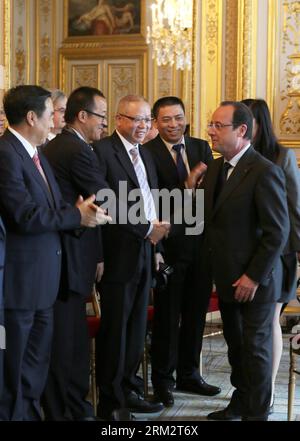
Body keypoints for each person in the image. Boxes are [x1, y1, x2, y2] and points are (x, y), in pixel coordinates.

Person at [0, 85, 108, 421]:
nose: (58, 122)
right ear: (32, 117)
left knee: (34, 372)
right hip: (20, 285)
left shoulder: (36, 153)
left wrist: (75, 212)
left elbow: (50, 207)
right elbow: (24, 215)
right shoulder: (5, 154)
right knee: (13, 374)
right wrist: (76, 216)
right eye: (53, 113)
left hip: (45, 284)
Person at [197, 101, 289, 420]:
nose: (210, 131)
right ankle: (241, 402)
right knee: (236, 349)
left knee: (256, 352)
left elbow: (277, 232)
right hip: (225, 278)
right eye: (210, 124)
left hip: (256, 284)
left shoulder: (264, 170)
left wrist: (252, 276)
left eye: (217, 126)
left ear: (241, 130)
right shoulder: (215, 169)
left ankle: (256, 414)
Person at [93, 95, 170, 420]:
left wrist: (156, 249)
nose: (142, 126)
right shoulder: (102, 152)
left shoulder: (146, 156)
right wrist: (144, 233)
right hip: (116, 254)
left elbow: (151, 202)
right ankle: (110, 401)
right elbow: (105, 203)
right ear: (119, 119)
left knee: (137, 328)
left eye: (146, 120)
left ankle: (130, 388)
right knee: (115, 330)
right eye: (136, 120)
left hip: (145, 251)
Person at [143, 96, 220, 407]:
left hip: (201, 246)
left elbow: (211, 194)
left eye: (178, 118)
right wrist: (186, 187)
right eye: (166, 120)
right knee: (167, 317)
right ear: (155, 123)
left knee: (194, 315)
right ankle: (163, 380)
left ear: (186, 118)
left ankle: (190, 374)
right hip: (170, 247)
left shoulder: (202, 147)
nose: (173, 124)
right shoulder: (147, 153)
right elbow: (150, 201)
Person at [41, 86, 111, 421]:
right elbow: (105, 198)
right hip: (67, 260)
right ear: (82, 116)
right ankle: (69, 410)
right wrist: (147, 226)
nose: (104, 124)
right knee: (67, 346)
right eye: (101, 116)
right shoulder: (75, 149)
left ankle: (70, 407)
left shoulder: (61, 145)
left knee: (69, 342)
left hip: (69, 257)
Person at [242, 98, 300, 410]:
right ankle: (251, 392)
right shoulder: (237, 157)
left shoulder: (282, 155)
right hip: (246, 253)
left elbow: (294, 208)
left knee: (270, 323)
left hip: (281, 252)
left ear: (258, 123)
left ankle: (267, 392)